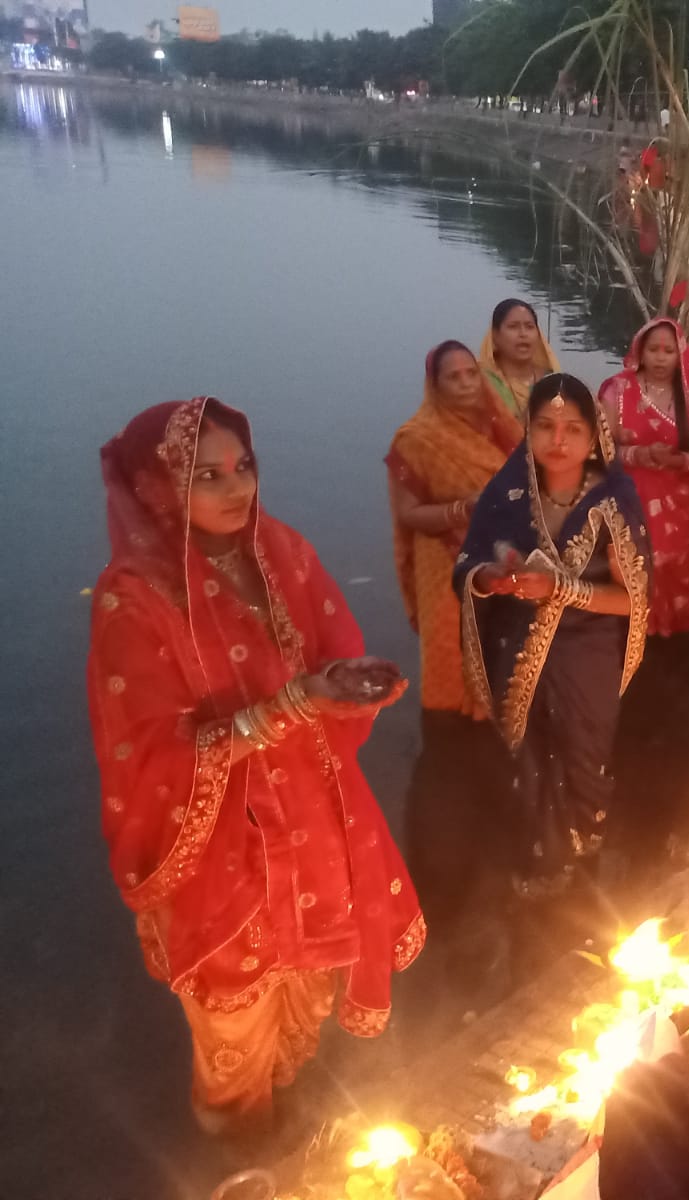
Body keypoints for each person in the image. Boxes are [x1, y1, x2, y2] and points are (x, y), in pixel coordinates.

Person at [89, 398, 423, 1134]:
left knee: (305, 1009)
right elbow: (149, 755)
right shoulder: (135, 597)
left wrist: (346, 679)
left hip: (312, 821)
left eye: (243, 466)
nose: (235, 488)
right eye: (206, 475)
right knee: (233, 1047)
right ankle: (235, 1157)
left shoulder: (279, 552)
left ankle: (288, 1140)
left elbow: (324, 649)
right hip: (220, 854)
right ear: (157, 487)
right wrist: (294, 705)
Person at [454, 374, 651, 895]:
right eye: (544, 427)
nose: (557, 441)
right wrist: (489, 579)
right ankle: (542, 860)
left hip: (586, 653)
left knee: (586, 757)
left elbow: (633, 600)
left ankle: (586, 857)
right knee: (529, 760)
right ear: (528, 430)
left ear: (595, 438)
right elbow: (470, 560)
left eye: (572, 429)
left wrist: (561, 589)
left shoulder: (614, 501)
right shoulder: (510, 489)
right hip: (518, 648)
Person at [386, 341, 523, 920]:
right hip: (447, 567)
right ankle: (442, 862)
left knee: (502, 667)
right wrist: (459, 510)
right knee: (449, 679)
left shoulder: (501, 426)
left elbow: (530, 482)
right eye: (454, 376)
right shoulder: (415, 441)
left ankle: (493, 754)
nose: (467, 383)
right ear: (435, 385)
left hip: (505, 566)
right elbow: (407, 514)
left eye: (472, 373)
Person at [602, 318, 689, 861]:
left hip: (678, 501)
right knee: (638, 574)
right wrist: (640, 457)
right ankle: (638, 639)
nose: (659, 357)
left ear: (679, 353)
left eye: (667, 349)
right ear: (639, 350)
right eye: (652, 349)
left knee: (676, 578)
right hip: (634, 501)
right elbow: (601, 448)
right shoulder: (617, 390)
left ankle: (670, 634)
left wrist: (680, 461)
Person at [479, 298, 561, 417]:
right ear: (495, 336)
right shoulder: (481, 382)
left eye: (529, 326)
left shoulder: (551, 380)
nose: (523, 333)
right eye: (513, 327)